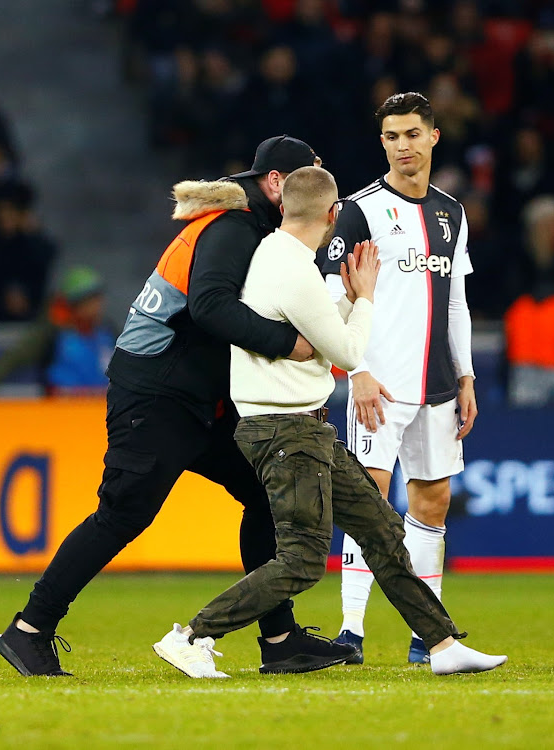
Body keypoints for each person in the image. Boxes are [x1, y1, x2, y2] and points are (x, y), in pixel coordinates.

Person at [0, 135, 356, 677]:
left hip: (191, 396)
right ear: (277, 183)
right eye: (303, 178)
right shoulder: (234, 228)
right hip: (158, 394)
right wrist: (290, 345)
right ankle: (29, 630)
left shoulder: (242, 224)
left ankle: (281, 640)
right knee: (124, 513)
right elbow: (210, 307)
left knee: (262, 494)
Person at [152, 166, 506, 679]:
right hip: (284, 430)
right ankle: (190, 636)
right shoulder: (292, 268)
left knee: (383, 529)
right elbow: (348, 349)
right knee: (301, 558)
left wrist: (349, 299)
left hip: (302, 427)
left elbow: (322, 322)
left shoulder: (278, 256)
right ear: (334, 214)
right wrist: (365, 296)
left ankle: (442, 644)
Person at [318, 92, 478, 665]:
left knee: (432, 503)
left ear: (434, 137)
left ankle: (424, 635)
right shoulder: (360, 210)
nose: (403, 146)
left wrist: (466, 374)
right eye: (392, 137)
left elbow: (456, 300)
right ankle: (351, 631)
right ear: (381, 142)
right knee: (370, 505)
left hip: (438, 383)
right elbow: (333, 295)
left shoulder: (450, 212)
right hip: (378, 385)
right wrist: (354, 371)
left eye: (412, 134)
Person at [0, 266, 115, 395]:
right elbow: (12, 359)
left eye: (98, 300)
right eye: (90, 301)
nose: (97, 306)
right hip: (60, 411)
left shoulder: (109, 333)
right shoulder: (53, 335)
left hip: (101, 410)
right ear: (75, 304)